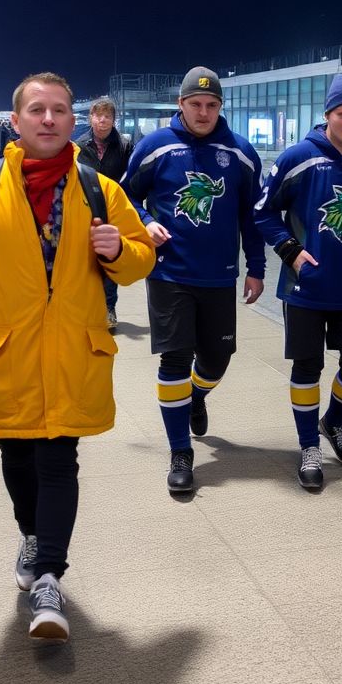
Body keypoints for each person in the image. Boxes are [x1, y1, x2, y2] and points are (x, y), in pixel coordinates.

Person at [0, 72, 156, 642]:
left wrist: (119, 250)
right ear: (16, 121)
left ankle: (49, 575)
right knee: (17, 455)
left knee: (58, 459)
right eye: (38, 109)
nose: (49, 119)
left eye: (60, 110)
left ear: (73, 120)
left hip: (72, 353)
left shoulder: (100, 189)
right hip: (5, 355)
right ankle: (31, 535)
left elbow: (141, 257)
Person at [123, 65, 266, 495]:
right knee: (174, 359)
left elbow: (251, 215)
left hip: (219, 275)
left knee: (217, 360)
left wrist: (256, 267)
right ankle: (180, 452)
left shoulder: (240, 153)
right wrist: (144, 221)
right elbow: (124, 194)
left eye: (211, 105)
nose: (203, 113)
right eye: (195, 104)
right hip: (169, 272)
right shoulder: (155, 146)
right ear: (180, 104)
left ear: (220, 107)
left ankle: (197, 396)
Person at [254, 74, 342, 488]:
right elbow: (262, 212)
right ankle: (308, 446)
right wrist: (290, 251)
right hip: (306, 289)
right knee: (308, 366)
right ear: (327, 114)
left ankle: (332, 422)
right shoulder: (298, 157)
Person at [76, 97, 133, 331]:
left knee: (110, 258)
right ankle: (87, 308)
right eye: (98, 116)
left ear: (113, 120)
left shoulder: (124, 146)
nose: (102, 120)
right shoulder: (79, 145)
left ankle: (109, 308)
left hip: (113, 209)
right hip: (85, 208)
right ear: (91, 118)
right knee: (86, 260)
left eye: (107, 116)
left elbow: (131, 177)